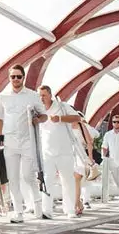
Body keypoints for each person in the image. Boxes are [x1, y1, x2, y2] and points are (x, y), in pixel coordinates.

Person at [0, 64, 47, 223]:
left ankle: (37, 205)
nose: (16, 79)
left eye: (19, 76)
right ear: (9, 78)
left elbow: (44, 115)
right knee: (13, 178)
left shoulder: (32, 95)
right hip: (9, 141)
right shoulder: (3, 96)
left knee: (28, 175)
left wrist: (38, 119)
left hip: (28, 141)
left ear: (23, 77)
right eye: (13, 77)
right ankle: (18, 212)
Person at [36, 86, 80, 219]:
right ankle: (47, 210)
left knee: (67, 180)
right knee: (47, 180)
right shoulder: (38, 110)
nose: (41, 98)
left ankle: (70, 209)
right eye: (39, 96)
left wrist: (60, 119)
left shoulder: (62, 106)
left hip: (64, 151)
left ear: (50, 95)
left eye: (44, 95)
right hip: (46, 151)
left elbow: (77, 118)